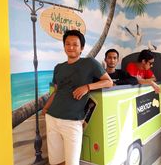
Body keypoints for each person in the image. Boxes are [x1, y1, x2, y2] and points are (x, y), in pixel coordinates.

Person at [42, 30, 113, 165]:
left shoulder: (89, 63)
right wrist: (45, 109)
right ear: (64, 47)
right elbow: (57, 91)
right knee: (56, 161)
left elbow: (109, 82)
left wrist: (87, 87)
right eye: (67, 44)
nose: (71, 47)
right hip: (52, 118)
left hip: (72, 121)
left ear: (82, 48)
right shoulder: (58, 67)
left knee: (72, 162)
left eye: (75, 44)